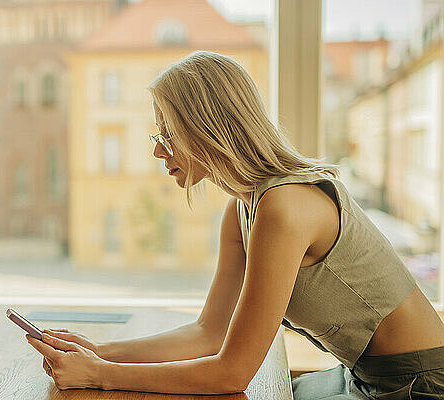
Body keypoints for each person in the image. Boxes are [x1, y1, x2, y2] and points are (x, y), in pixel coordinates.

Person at [26, 50, 444, 398]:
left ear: (207, 128)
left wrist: (98, 375)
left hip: (420, 384)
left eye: (167, 132)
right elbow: (209, 332)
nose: (158, 150)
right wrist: (100, 352)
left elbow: (231, 373)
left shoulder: (284, 207)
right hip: (367, 377)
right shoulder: (243, 208)